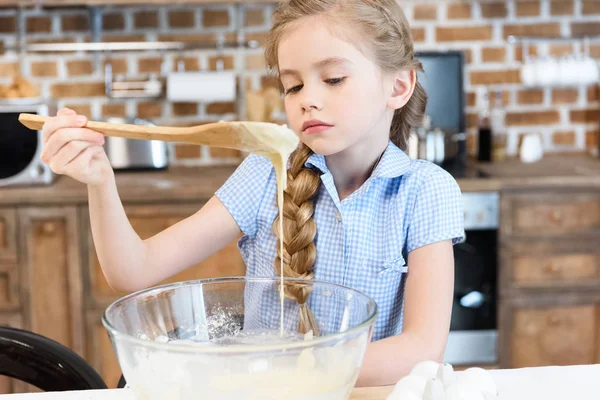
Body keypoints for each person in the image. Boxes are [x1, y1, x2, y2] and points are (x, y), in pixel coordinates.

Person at [40, 0, 464, 387]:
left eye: (333, 78)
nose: (308, 100)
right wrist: (99, 180)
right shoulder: (265, 174)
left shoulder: (424, 191)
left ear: (398, 87)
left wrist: (274, 365)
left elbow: (421, 349)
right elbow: (132, 272)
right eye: (293, 86)